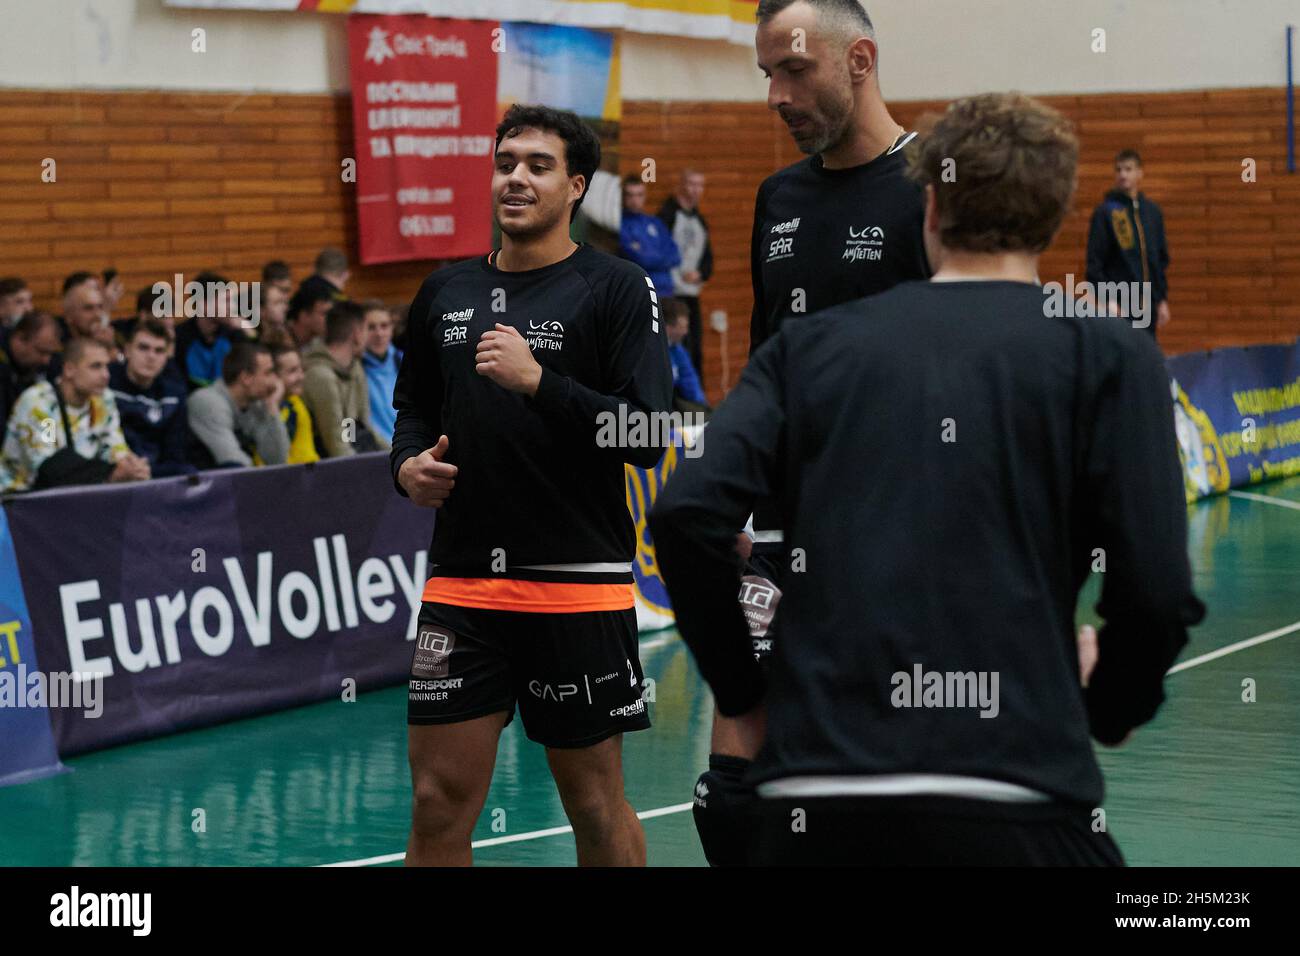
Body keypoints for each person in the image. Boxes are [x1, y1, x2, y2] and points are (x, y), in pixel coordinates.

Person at [650, 91, 1206, 866]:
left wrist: (743, 690)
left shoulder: (809, 349)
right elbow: (1155, 591)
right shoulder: (1111, 356)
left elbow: (682, 516)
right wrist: (1109, 705)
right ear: (1055, 214)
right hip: (1020, 794)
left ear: (931, 207)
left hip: (823, 805)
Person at [391, 103, 672, 867]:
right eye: (506, 161)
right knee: (434, 800)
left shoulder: (615, 288)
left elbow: (648, 435)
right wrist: (405, 466)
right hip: (462, 586)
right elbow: (412, 407)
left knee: (592, 803)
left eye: (538, 165)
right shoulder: (443, 291)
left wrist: (541, 382)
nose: (516, 176)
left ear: (576, 185)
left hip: (576, 586)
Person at [694, 0, 933, 867]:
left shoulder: (933, 192)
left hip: (904, 541)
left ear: (859, 59)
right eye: (767, 74)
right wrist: (730, 492)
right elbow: (768, 363)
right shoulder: (778, 198)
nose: (776, 96)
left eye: (794, 71)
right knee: (730, 804)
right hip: (784, 530)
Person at [0, 337, 149, 492]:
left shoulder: (102, 400)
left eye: (107, 366)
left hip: (79, 493)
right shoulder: (41, 404)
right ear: (69, 370)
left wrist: (132, 467)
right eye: (95, 366)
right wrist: (110, 473)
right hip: (20, 498)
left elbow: (114, 447)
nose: (106, 375)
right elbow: (48, 466)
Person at [1086, 148, 1172, 337]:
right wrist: (1107, 300)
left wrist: (1161, 299)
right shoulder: (1106, 213)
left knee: (1145, 358)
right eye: (1118, 170)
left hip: (1147, 304)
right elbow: (1094, 264)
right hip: (1119, 304)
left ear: (1140, 173)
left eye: (1128, 169)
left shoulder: (1152, 212)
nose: (1123, 174)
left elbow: (1158, 260)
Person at [109, 319, 196, 477]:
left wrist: (149, 471)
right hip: (114, 471)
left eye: (159, 351)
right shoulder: (107, 383)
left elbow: (175, 453)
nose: (151, 356)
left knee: (188, 472)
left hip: (155, 474)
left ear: (166, 357)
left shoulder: (174, 394)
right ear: (127, 350)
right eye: (143, 348)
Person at [301, 301, 385, 457]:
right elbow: (335, 443)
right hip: (324, 465)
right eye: (368, 328)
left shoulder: (355, 368)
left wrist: (399, 457)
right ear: (357, 333)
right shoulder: (320, 376)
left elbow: (365, 426)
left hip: (354, 451)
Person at [186, 341, 289, 469]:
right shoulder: (208, 402)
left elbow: (277, 460)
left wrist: (272, 406)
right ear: (246, 378)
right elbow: (232, 460)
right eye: (268, 373)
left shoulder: (256, 404)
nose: (275, 381)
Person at [657, 169, 714, 385]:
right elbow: (658, 252)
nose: (696, 190)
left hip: (691, 294)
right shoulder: (667, 215)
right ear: (682, 185)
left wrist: (700, 273)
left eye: (700, 185)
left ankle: (695, 406)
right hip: (671, 294)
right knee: (673, 349)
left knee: (694, 348)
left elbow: (708, 260)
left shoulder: (700, 220)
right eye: (691, 184)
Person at [173, 271, 244, 391]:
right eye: (225, 301)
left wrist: (247, 331)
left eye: (232, 301)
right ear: (204, 305)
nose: (232, 307)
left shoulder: (235, 334)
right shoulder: (180, 338)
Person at [619, 175, 680, 297]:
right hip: (639, 292)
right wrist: (662, 258)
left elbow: (676, 255)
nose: (635, 200)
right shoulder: (619, 225)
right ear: (622, 197)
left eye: (639, 195)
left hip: (666, 291)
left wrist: (650, 256)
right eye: (630, 195)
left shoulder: (655, 223)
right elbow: (641, 260)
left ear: (645, 196)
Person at [0, 311, 60, 427]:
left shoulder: (47, 364)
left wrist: (48, 442)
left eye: (51, 353)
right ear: (20, 339)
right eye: (42, 352)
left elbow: (49, 414)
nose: (46, 360)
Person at [361, 301, 403, 446]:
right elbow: (348, 422)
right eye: (371, 327)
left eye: (384, 326)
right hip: (375, 456)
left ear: (392, 329)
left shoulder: (405, 361)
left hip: (411, 451)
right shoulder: (353, 369)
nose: (379, 334)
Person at [270, 346, 320, 465]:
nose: (301, 377)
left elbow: (307, 457)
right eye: (292, 371)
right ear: (273, 376)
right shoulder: (261, 411)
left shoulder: (296, 404)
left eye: (301, 370)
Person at [664, 298, 709, 415]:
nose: (686, 332)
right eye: (682, 327)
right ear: (668, 327)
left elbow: (690, 382)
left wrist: (703, 408)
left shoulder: (678, 350)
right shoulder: (653, 352)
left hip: (678, 405)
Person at [286, 284, 334, 351]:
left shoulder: (320, 345)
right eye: (325, 313)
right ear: (304, 316)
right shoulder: (278, 342)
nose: (332, 319)